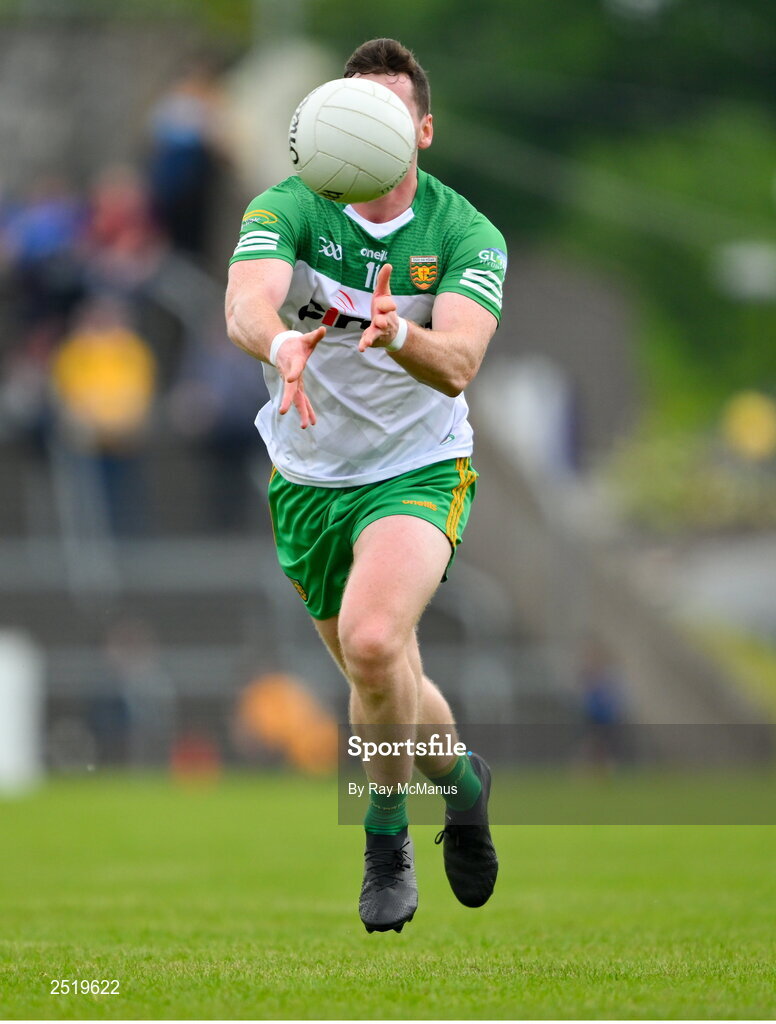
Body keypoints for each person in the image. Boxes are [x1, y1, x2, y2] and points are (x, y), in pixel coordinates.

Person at [225, 38, 506, 934]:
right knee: (387, 681)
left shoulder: (464, 233)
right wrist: (280, 344)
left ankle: (385, 838)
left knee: (376, 643)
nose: (370, 125)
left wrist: (397, 340)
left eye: (389, 111)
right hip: (307, 476)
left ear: (422, 129)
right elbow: (246, 300)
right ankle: (463, 785)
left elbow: (459, 362)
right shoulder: (292, 205)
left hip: (419, 469)